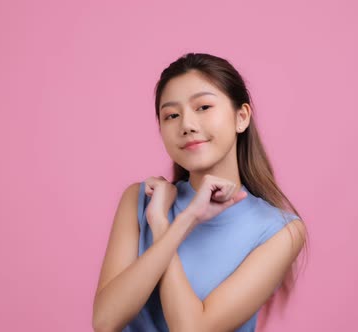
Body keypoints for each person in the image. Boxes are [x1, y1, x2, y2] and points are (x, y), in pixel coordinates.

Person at [92, 53, 309, 332]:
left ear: (241, 117)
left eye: (203, 107)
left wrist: (164, 227)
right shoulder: (139, 201)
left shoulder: (280, 230)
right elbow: (105, 320)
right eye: (171, 115)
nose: (187, 125)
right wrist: (172, 220)